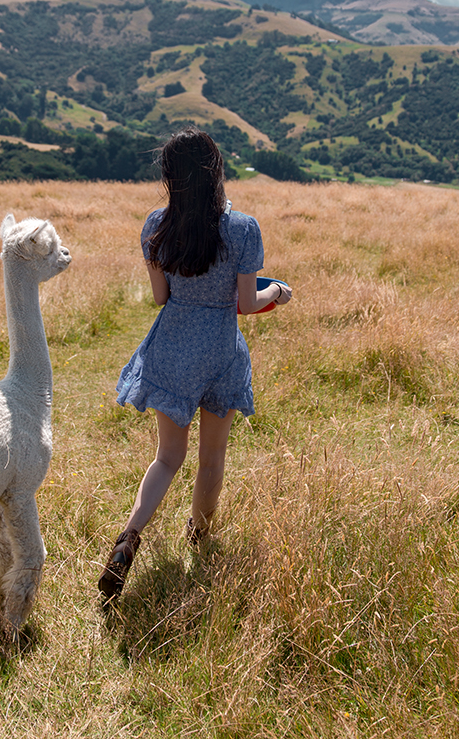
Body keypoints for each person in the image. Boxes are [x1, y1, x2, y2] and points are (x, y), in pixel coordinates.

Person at [97, 127, 292, 601]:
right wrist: (278, 292)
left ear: (169, 177)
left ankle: (129, 538)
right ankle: (200, 537)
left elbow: (160, 296)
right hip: (220, 353)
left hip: (171, 348)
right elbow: (246, 303)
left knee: (167, 457)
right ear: (216, 171)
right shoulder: (243, 228)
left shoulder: (155, 226)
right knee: (211, 458)